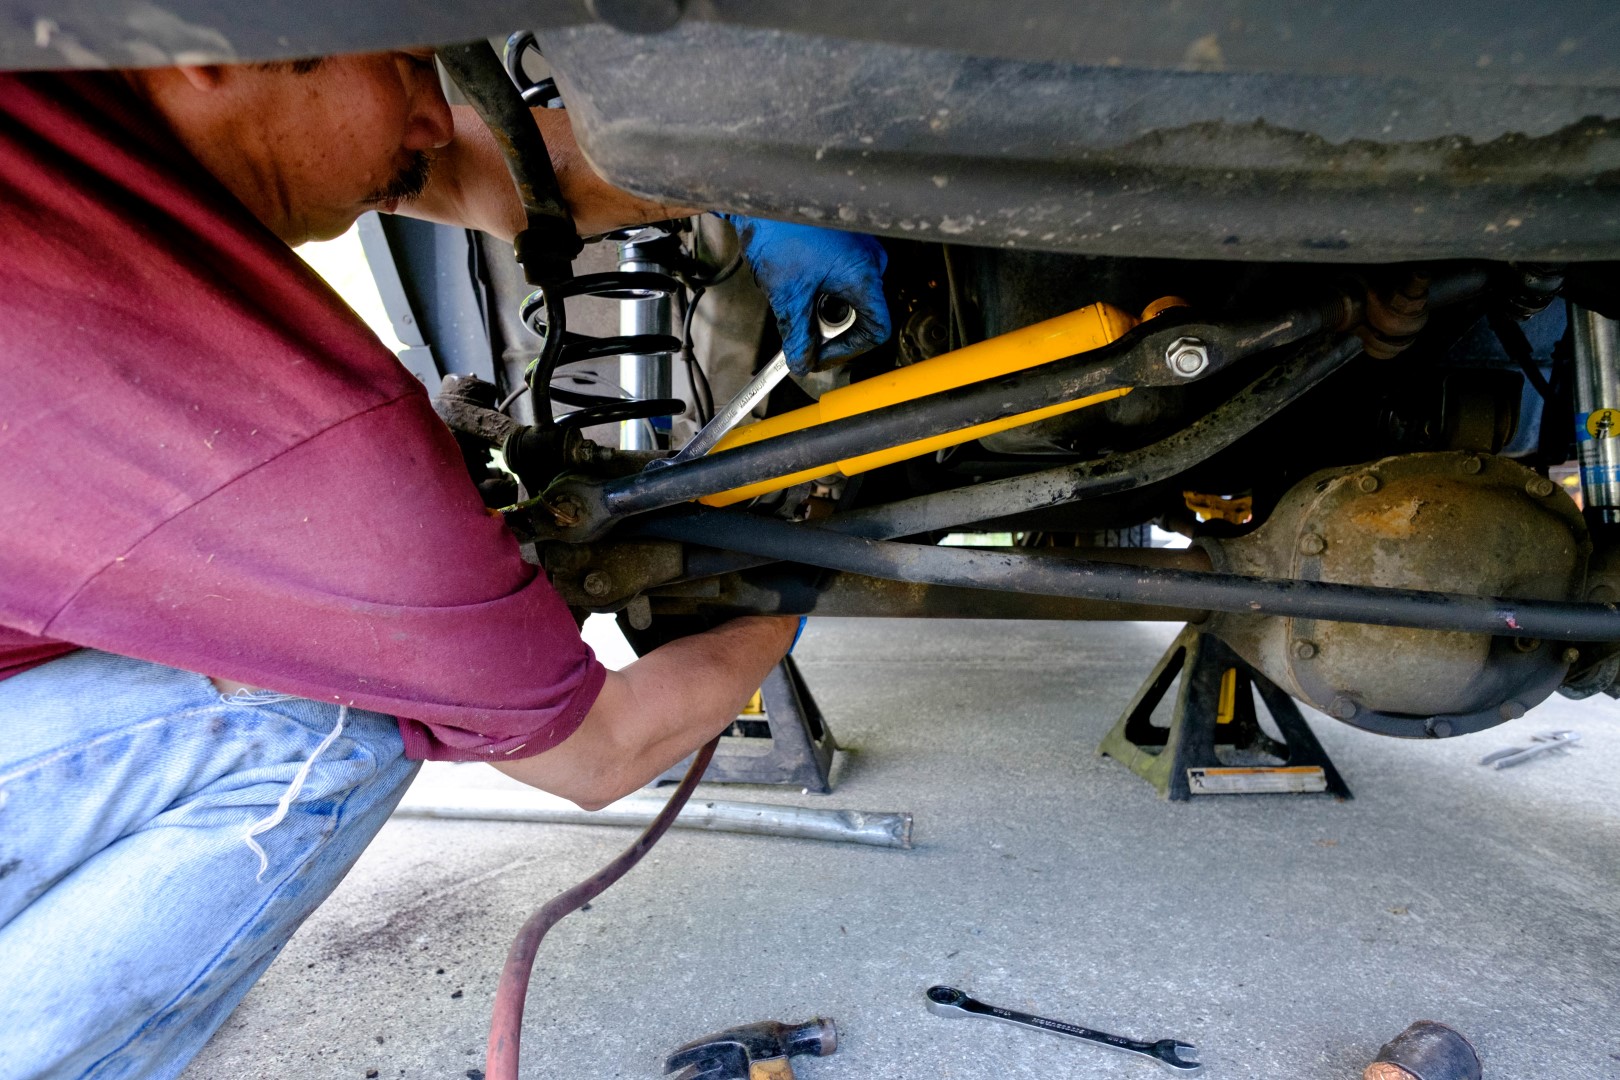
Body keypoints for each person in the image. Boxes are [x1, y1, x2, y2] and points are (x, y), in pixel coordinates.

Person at [0, 49, 890, 1078]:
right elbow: (601, 753)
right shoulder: (320, 457)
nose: (436, 114)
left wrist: (775, 178)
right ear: (216, 47)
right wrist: (794, 589)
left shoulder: (54, 98)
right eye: (408, 61)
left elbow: (475, 169)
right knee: (328, 724)